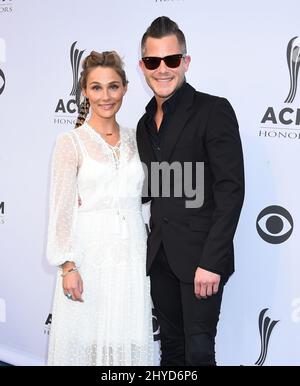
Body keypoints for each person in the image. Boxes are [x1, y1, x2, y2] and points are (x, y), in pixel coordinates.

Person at [136, 16, 245, 366]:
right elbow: (151, 187)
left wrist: (211, 261)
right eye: (153, 61)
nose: (162, 69)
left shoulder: (213, 110)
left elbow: (230, 190)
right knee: (171, 348)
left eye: (171, 60)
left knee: (199, 352)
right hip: (161, 257)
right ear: (142, 66)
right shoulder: (143, 123)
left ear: (185, 61)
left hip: (202, 261)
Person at [47, 50, 154, 366]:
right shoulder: (71, 142)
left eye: (113, 86)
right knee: (89, 341)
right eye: (96, 87)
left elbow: (156, 190)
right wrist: (68, 265)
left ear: (125, 88)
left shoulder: (138, 139)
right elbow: (61, 208)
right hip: (89, 255)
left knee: (126, 338)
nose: (105, 96)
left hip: (134, 254)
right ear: (85, 91)